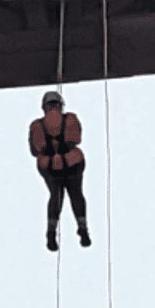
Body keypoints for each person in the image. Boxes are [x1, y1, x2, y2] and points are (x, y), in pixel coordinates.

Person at [29, 89, 88, 252]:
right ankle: (82, 227)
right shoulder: (70, 118)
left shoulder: (37, 125)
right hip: (72, 162)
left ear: (44, 106)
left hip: (49, 166)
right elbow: (75, 139)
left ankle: (51, 232)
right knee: (76, 193)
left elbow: (35, 150)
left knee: (56, 195)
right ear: (60, 105)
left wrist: (52, 154)